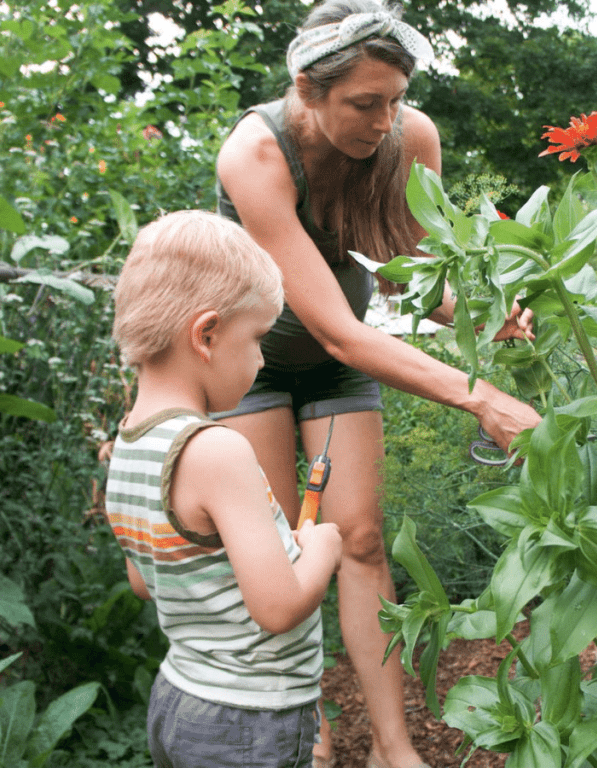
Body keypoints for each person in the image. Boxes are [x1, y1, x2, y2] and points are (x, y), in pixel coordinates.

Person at [213, 2, 542, 767]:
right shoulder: (255, 156)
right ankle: (311, 733)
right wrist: (478, 394)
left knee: (359, 538)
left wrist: (487, 315)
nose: (385, 119)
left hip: (336, 363)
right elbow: (334, 324)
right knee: (282, 550)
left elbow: (415, 278)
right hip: (248, 361)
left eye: (395, 99)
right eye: (365, 103)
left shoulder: (408, 137)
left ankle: (394, 748)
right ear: (307, 89)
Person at [105, 210, 344, 768]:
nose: (261, 360)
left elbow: (144, 580)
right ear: (206, 334)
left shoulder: (128, 444)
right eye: (258, 338)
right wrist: (323, 548)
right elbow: (279, 607)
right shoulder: (216, 450)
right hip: (251, 716)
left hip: (179, 699)